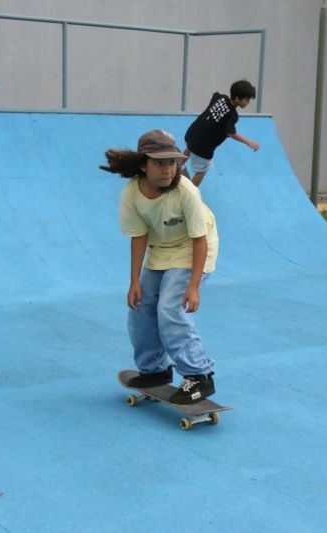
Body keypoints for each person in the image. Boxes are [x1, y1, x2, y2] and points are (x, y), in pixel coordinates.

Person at [101, 129, 220, 404]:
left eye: (172, 162)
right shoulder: (132, 193)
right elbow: (139, 237)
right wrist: (134, 282)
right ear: (144, 165)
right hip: (161, 249)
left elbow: (199, 240)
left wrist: (193, 286)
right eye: (159, 163)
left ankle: (199, 375)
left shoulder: (185, 191)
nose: (168, 170)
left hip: (194, 248)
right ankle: (155, 370)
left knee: (169, 308)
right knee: (140, 307)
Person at [183, 79, 261, 187]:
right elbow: (230, 132)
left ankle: (177, 166)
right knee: (202, 170)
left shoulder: (220, 97)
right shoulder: (232, 115)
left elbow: (215, 94)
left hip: (192, 133)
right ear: (238, 98)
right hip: (203, 147)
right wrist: (249, 142)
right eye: (247, 100)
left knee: (190, 147)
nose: (248, 103)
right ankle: (189, 194)